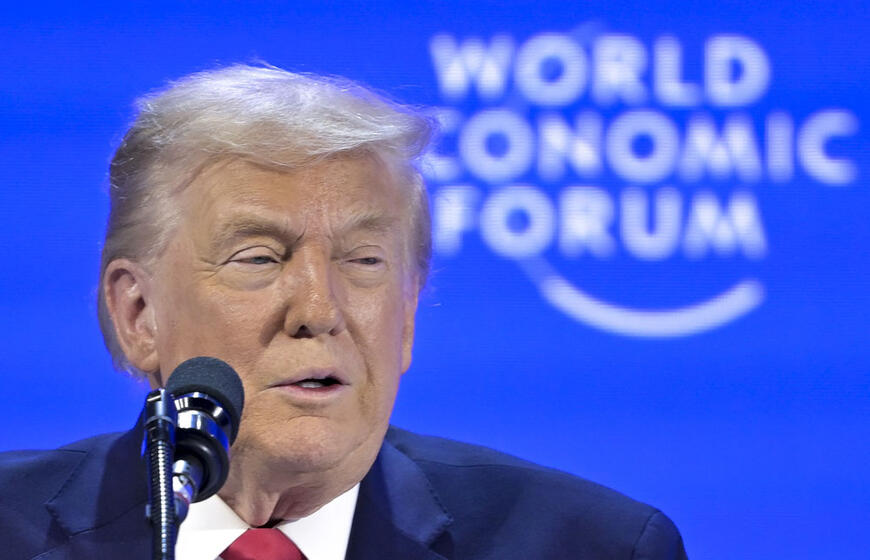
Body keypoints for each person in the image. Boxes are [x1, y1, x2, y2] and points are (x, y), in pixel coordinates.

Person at [0, 64, 687, 560]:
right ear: (138, 313)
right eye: (259, 258)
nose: (319, 309)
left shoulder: (588, 545)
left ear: (407, 313)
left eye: (363, 260)